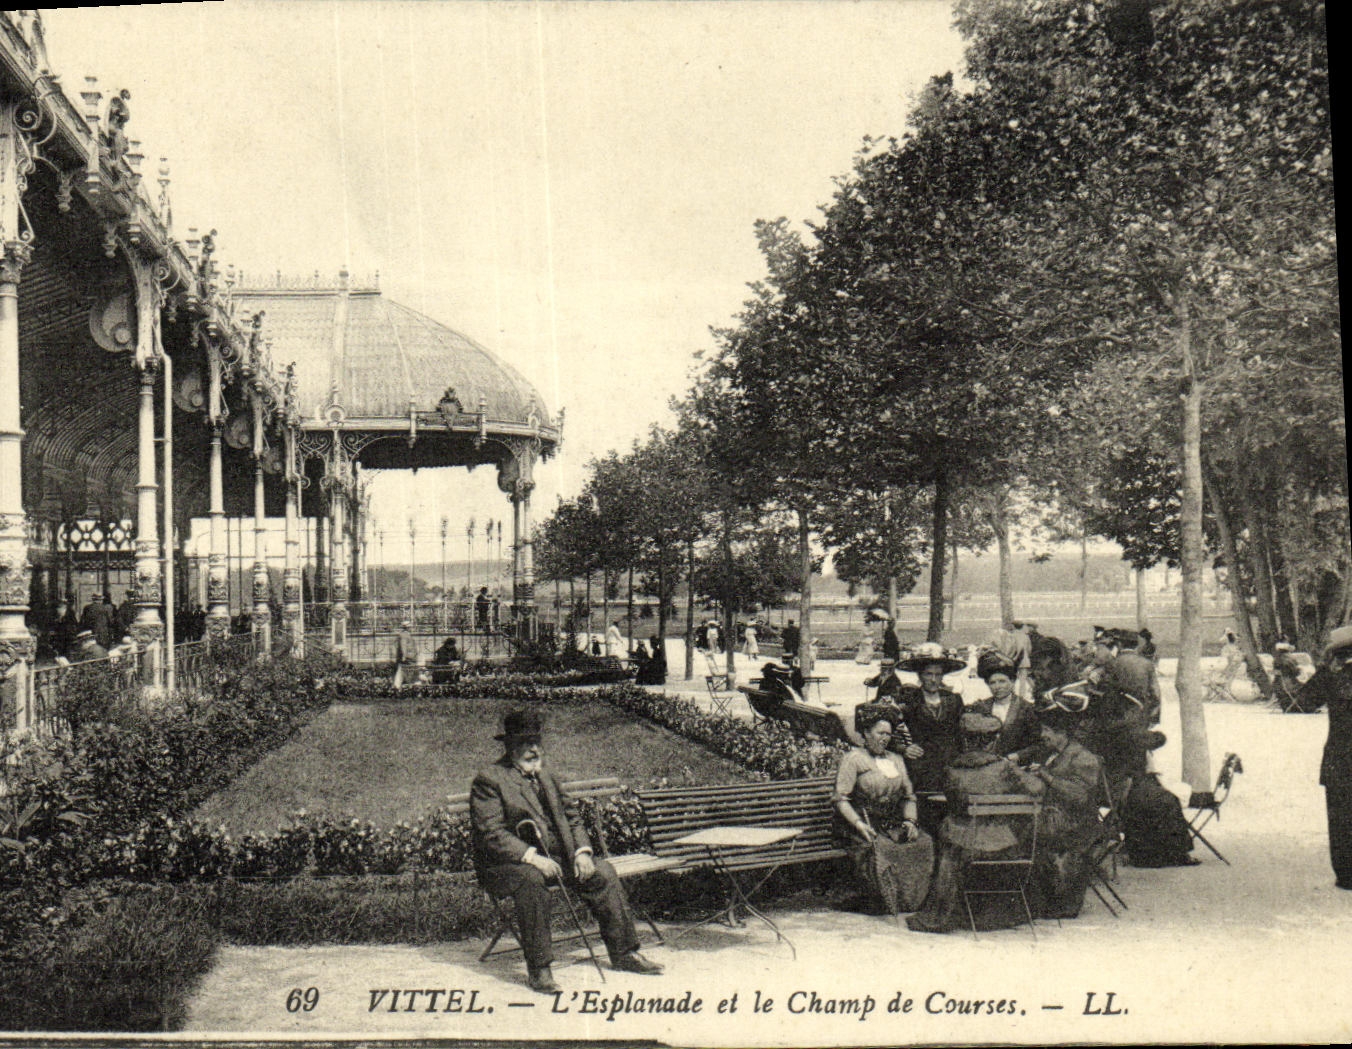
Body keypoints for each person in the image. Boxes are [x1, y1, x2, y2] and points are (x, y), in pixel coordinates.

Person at [470, 709, 663, 992]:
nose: (533, 749)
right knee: (531, 881)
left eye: (536, 742)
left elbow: (572, 817)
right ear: (510, 746)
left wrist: (582, 852)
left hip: (556, 860)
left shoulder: (547, 776)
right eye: (525, 743)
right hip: (507, 865)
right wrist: (533, 858)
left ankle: (624, 954)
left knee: (603, 872)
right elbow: (492, 834)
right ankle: (540, 969)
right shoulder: (490, 779)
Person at [906, 712, 1044, 934]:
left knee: (949, 830)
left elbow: (953, 803)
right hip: (1004, 846)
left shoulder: (952, 770)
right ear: (993, 741)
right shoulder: (1004, 768)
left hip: (965, 848)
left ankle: (951, 910)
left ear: (966, 740)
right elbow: (1037, 788)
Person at [833, 705, 931, 914]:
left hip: (890, 822)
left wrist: (910, 821)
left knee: (923, 842)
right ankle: (883, 898)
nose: (885, 738)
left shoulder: (896, 759)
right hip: (857, 824)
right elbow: (841, 799)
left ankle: (907, 899)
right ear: (866, 733)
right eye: (880, 733)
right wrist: (858, 824)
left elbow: (908, 796)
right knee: (880, 848)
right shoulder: (854, 759)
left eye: (888, 734)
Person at [1022, 705, 1105, 918]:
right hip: (1058, 817)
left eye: (1046, 731)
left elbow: (1079, 795)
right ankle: (1031, 900)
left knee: (1023, 837)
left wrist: (1046, 777)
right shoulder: (1056, 753)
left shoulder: (1083, 757)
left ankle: (1043, 902)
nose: (1042, 736)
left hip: (1078, 824)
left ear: (1061, 734)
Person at [895, 643, 967, 837]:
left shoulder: (954, 700)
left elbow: (963, 734)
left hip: (950, 764)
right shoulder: (908, 701)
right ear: (919, 675)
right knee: (927, 819)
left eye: (938, 674)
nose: (933, 679)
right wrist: (904, 749)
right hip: (922, 768)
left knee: (952, 820)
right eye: (928, 674)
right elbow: (885, 733)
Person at [1302, 625, 1352, 888]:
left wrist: (1324, 668)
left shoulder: (1330, 677)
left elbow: (1305, 701)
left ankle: (1346, 875)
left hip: (1338, 760)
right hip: (1339, 760)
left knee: (1340, 819)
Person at [971, 651, 1042, 760]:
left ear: (1012, 682)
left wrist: (1018, 756)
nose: (997, 686)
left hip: (1016, 766)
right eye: (992, 683)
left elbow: (1038, 744)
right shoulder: (981, 707)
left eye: (1002, 681)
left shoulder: (1025, 708)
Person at [394, 621, 417, 688]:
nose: (411, 628)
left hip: (410, 657)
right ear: (407, 628)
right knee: (404, 671)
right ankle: (399, 686)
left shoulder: (406, 634)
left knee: (405, 671)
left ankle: (401, 685)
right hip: (408, 657)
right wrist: (404, 656)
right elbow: (403, 645)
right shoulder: (404, 635)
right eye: (410, 627)